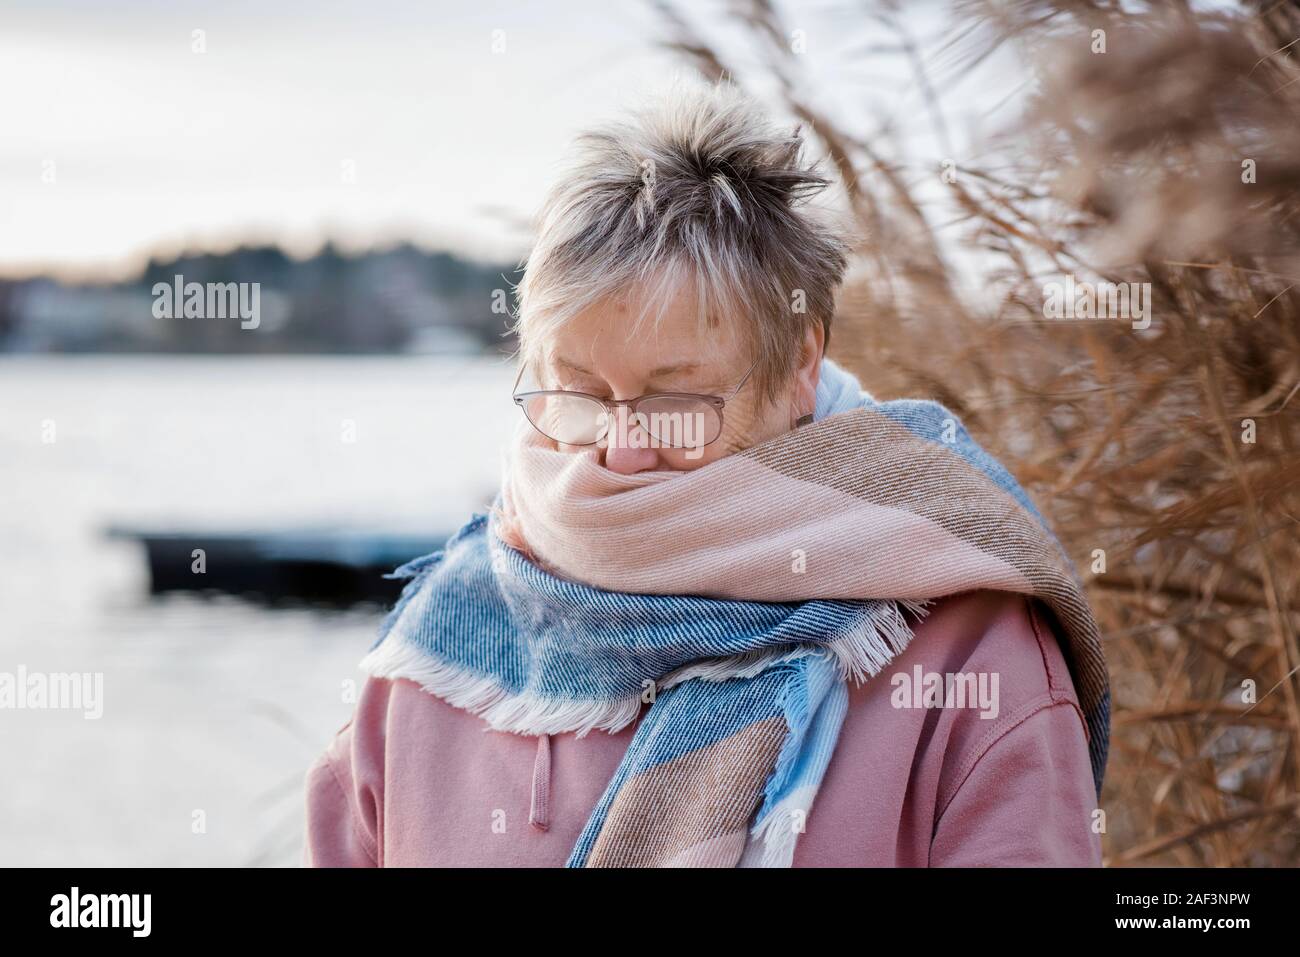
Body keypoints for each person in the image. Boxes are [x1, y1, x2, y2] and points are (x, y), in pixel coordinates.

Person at [304, 81, 1108, 868]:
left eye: (674, 399)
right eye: (580, 391)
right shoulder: (436, 651)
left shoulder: (969, 657)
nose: (617, 452)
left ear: (799, 365)